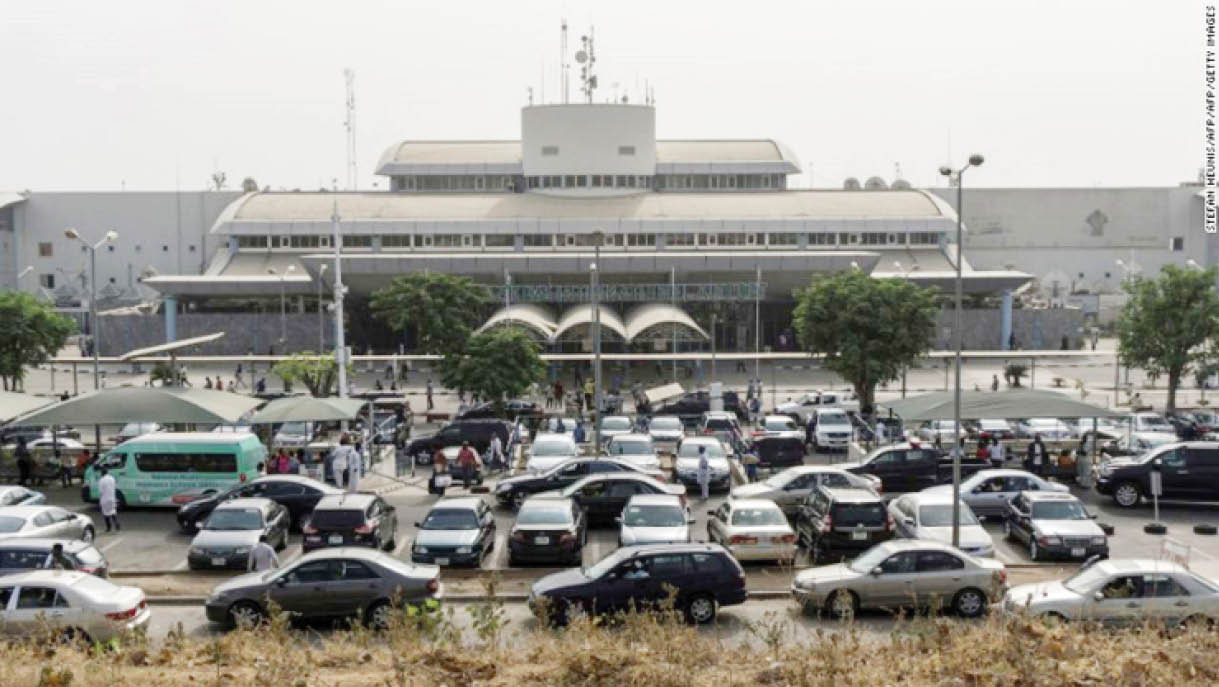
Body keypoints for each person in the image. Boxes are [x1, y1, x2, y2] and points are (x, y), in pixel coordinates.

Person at [98, 467, 119, 532]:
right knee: (113, 511)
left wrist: (99, 500)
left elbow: (101, 492)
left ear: (102, 473)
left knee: (106, 514)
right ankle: (116, 523)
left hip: (105, 499)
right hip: (112, 498)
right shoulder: (112, 478)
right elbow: (115, 487)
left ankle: (108, 527)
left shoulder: (101, 480)